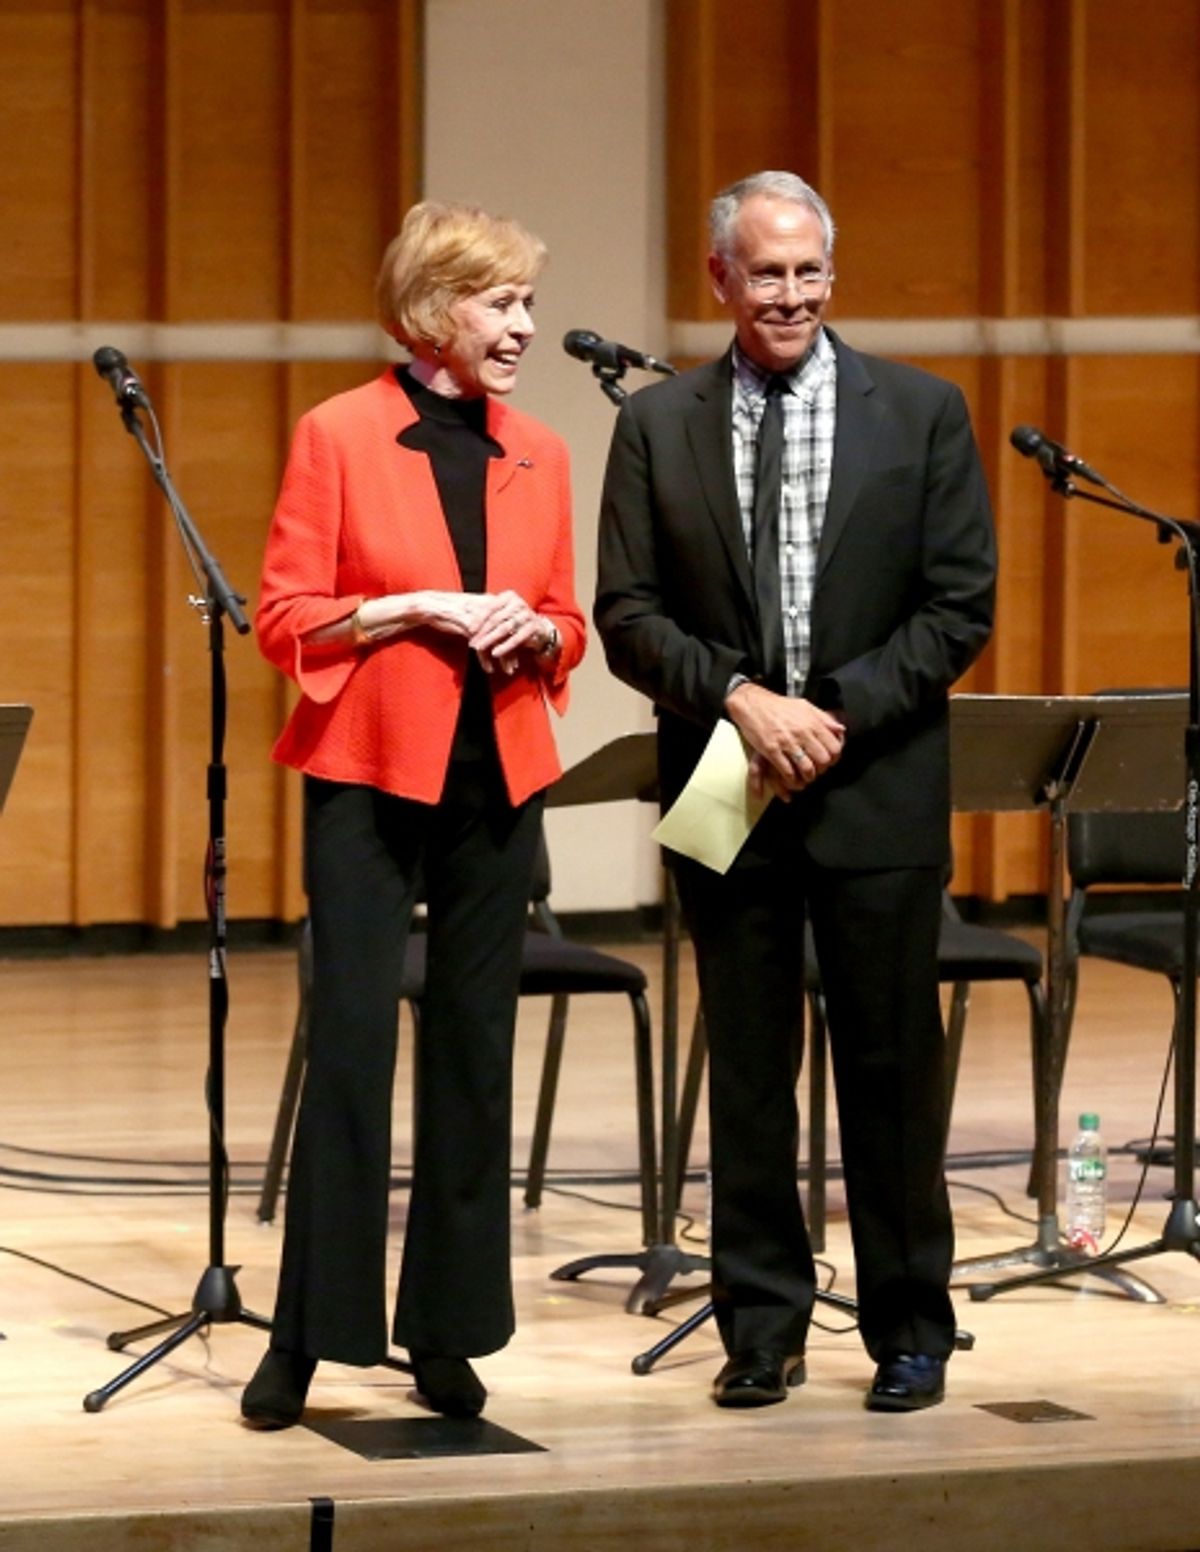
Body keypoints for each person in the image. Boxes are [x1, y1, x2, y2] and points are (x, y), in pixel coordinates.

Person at [595, 171, 995, 1412]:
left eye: (808, 271)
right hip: (724, 777)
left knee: (889, 1068)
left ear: (833, 272)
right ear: (719, 278)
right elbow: (626, 615)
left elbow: (959, 605)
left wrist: (833, 715)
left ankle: (911, 1329)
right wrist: (740, 702)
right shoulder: (658, 426)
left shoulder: (925, 411)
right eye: (765, 273)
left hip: (873, 779)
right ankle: (758, 1327)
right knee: (751, 1073)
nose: (790, 295)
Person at [242, 200, 585, 1428]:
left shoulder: (542, 448)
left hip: (498, 778)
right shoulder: (338, 433)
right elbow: (287, 619)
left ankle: (445, 1331)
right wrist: (415, 607)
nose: (523, 327)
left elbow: (570, 623)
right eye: (502, 304)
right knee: (349, 1048)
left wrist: (534, 626)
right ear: (437, 309)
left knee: (473, 1053)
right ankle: (309, 1332)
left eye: (525, 304)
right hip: (370, 770)